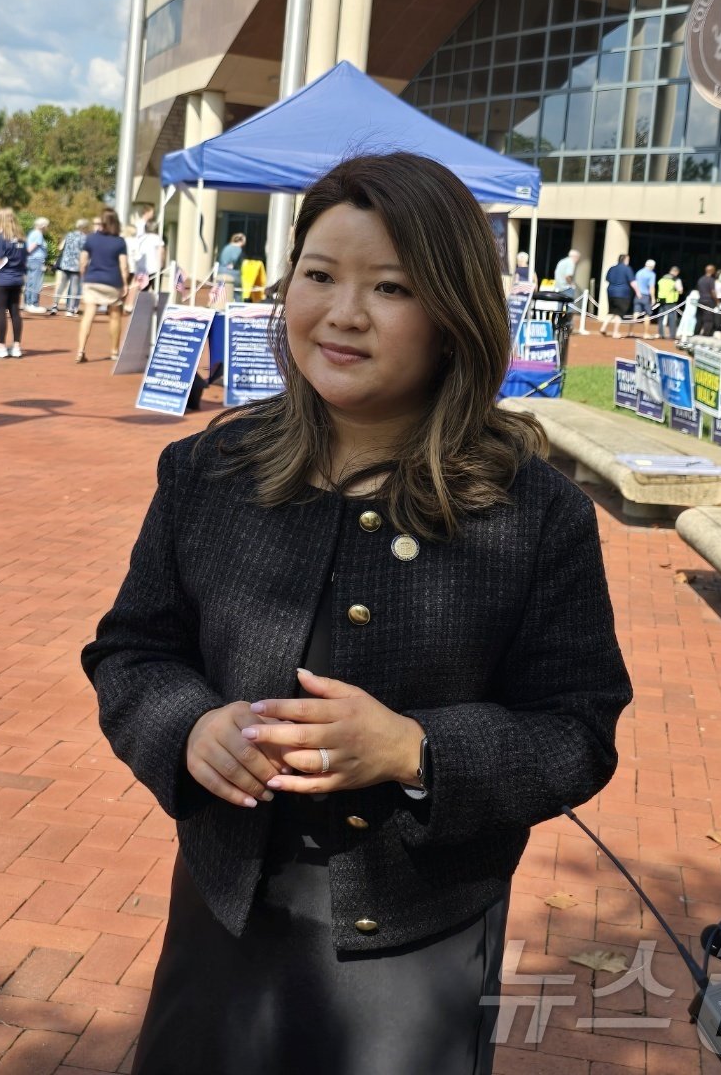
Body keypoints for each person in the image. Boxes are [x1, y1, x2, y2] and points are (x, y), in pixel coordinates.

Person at [82, 152, 632, 1075]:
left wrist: (416, 750)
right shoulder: (208, 472)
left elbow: (577, 731)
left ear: (453, 314)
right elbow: (132, 650)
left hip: (419, 933)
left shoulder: (532, 514)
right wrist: (188, 728)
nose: (343, 313)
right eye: (319, 275)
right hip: (226, 908)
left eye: (390, 287)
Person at [76, 207, 129, 363]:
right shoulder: (120, 242)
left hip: (92, 280)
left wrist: (84, 276)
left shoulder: (91, 239)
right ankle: (114, 351)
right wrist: (125, 283)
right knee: (115, 315)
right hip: (112, 282)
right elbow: (124, 266)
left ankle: (80, 350)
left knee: (88, 314)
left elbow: (83, 261)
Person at [0, 209, 28, 359]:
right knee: (15, 312)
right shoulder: (22, 239)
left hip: (2, 279)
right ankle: (16, 346)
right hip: (17, 279)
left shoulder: (1, 237)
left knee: (1, 312)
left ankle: (1, 346)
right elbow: (25, 258)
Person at [51, 219, 88, 316]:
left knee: (62, 285)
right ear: (84, 227)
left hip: (66, 263)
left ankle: (54, 305)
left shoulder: (69, 235)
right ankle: (70, 309)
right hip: (76, 264)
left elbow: (61, 247)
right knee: (74, 286)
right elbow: (84, 252)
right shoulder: (83, 237)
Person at [599, 253, 637, 338]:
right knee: (619, 313)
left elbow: (607, 279)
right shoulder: (627, 269)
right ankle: (615, 332)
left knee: (612, 311)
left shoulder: (612, 268)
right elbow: (632, 282)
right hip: (622, 293)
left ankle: (603, 327)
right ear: (625, 260)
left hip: (611, 292)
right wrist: (638, 292)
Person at [24, 217, 50, 313]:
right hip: (36, 260)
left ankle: (28, 303)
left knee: (30, 282)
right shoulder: (38, 234)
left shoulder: (32, 233)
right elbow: (31, 248)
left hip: (31, 260)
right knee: (36, 283)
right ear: (43, 226)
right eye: (47, 226)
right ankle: (33, 304)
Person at [655, 265, 683, 340]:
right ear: (676, 272)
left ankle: (661, 334)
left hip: (661, 300)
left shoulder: (663, 278)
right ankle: (672, 335)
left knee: (661, 318)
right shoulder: (675, 279)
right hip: (670, 301)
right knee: (672, 318)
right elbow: (680, 290)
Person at [633, 258, 657, 337]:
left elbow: (635, 283)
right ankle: (645, 333)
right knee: (647, 314)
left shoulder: (639, 272)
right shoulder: (651, 274)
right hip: (645, 295)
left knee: (636, 313)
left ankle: (631, 331)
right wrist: (653, 298)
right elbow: (651, 287)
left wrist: (637, 292)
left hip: (638, 295)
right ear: (652, 266)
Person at [696, 264, 718, 337]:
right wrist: (717, 301)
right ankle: (706, 335)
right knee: (708, 320)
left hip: (700, 300)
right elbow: (713, 292)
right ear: (712, 271)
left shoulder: (701, 279)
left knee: (699, 319)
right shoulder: (711, 280)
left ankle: (696, 333)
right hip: (709, 301)